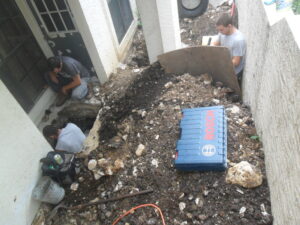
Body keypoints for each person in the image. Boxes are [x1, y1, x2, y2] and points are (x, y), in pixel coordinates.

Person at [212, 13, 246, 83]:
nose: (220, 32)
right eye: (219, 30)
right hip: (224, 61)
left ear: (229, 26)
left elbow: (236, 62)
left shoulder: (238, 40)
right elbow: (216, 43)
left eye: (221, 30)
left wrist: (221, 64)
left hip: (234, 71)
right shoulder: (223, 33)